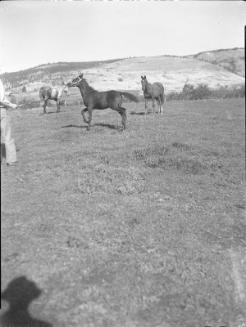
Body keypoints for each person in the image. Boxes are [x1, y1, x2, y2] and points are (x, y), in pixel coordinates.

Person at [0, 78, 18, 166]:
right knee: (7, 135)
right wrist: (12, 105)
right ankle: (11, 160)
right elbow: (1, 99)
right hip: (1, 110)